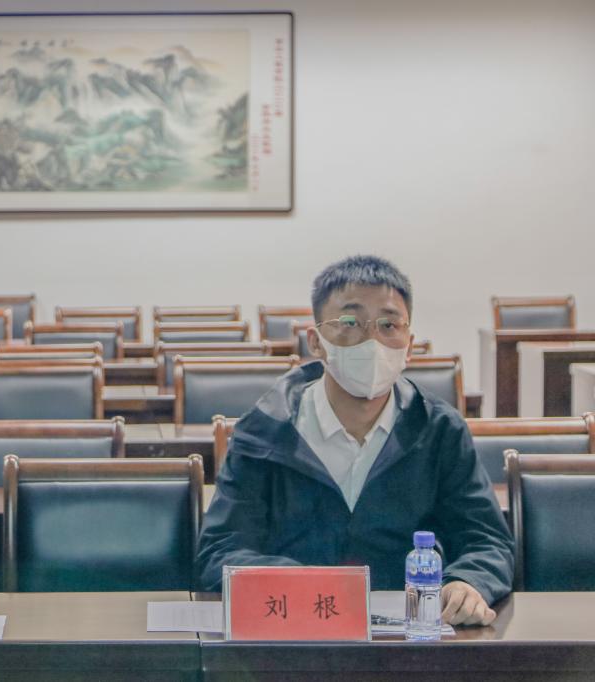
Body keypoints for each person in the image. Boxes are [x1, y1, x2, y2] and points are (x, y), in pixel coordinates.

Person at [197, 255, 513, 626]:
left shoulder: (438, 429)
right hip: (291, 630)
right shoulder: (265, 430)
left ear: (409, 345)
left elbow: (487, 541)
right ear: (316, 342)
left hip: (409, 638)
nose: (371, 340)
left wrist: (468, 582)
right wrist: (307, 586)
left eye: (389, 324)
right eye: (349, 322)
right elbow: (221, 551)